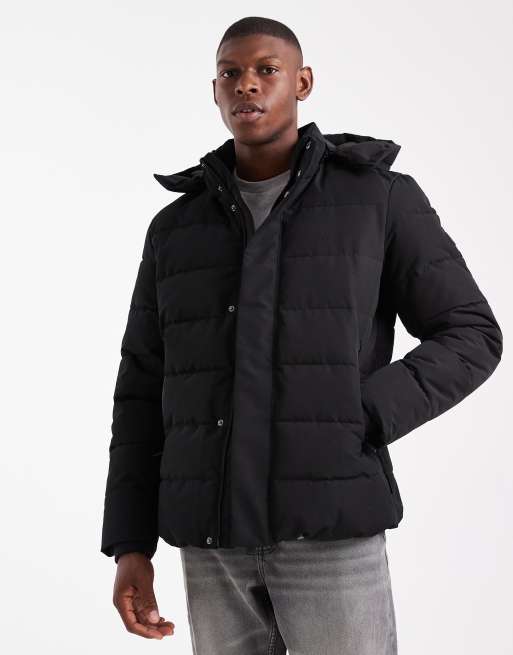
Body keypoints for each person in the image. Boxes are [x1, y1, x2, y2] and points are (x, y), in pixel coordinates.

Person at [100, 16, 503, 654]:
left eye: (267, 70)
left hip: (330, 537)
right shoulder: (176, 228)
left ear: (303, 82)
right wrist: (130, 543)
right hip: (212, 547)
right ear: (214, 90)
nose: (247, 85)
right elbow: (142, 388)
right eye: (231, 73)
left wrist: (361, 413)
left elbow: (471, 333)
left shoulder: (378, 200)